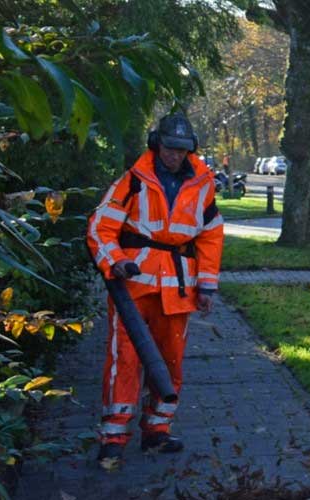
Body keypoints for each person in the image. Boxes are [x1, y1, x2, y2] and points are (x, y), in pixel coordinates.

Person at [87, 114, 225, 464]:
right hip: (132, 288)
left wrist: (206, 286)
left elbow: (210, 236)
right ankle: (114, 437)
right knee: (125, 361)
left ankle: (157, 432)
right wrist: (115, 261)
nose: (174, 156)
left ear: (189, 149)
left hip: (178, 289)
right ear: (155, 143)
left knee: (170, 364)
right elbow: (100, 227)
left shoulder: (203, 183)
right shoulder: (133, 181)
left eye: (181, 149)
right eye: (169, 148)